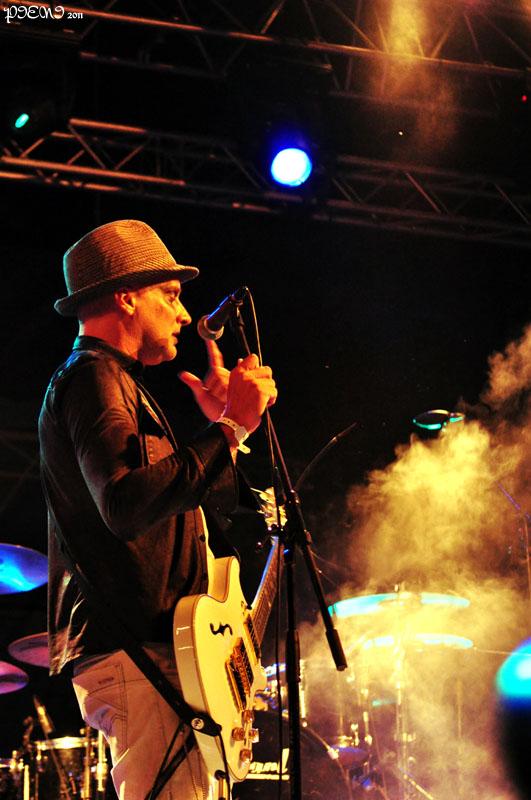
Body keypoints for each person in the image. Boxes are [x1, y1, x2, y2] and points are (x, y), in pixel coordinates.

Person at [38, 219, 277, 800]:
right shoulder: (93, 376)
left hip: (161, 653)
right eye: (169, 295)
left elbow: (178, 507)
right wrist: (229, 428)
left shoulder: (115, 382)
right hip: (139, 653)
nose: (183, 313)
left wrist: (227, 435)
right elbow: (124, 504)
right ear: (126, 297)